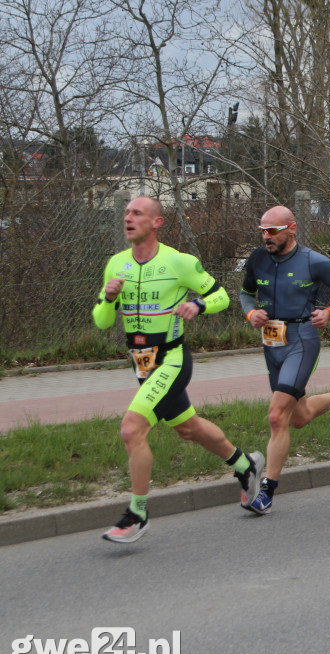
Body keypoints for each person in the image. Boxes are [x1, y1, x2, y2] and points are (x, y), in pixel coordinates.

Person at [92, 196, 264, 543]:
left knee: (131, 429)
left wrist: (197, 304)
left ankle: (137, 514)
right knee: (189, 428)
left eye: (136, 213)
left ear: (157, 222)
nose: (128, 218)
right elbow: (101, 321)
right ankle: (247, 466)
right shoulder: (116, 265)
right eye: (126, 213)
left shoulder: (178, 262)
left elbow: (221, 297)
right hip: (141, 363)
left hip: (172, 360)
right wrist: (109, 299)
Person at [240, 205, 330, 514]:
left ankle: (267, 492)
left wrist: (329, 311)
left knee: (276, 416)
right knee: (296, 418)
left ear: (292, 228)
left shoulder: (314, 261)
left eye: (272, 230)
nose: (266, 236)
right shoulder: (257, 259)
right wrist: (250, 312)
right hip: (271, 343)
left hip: (302, 341)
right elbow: (246, 294)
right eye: (262, 230)